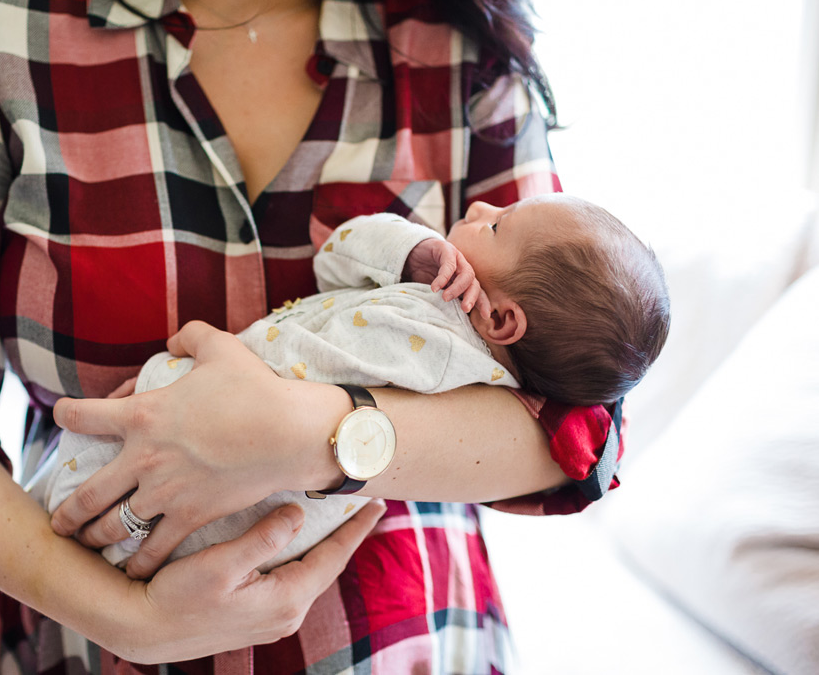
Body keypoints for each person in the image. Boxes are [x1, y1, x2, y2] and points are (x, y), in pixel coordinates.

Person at [0, 0, 630, 672]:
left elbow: (578, 423)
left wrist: (310, 434)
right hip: (96, 645)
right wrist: (131, 617)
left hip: (409, 641)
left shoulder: (461, 54)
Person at [41, 194, 669, 573]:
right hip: (221, 481)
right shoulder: (477, 359)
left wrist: (289, 431)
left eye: (497, 226)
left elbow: (593, 445)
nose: (479, 208)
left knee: (79, 497)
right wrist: (414, 253)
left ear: (505, 320)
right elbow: (336, 260)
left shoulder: (449, 348)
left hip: (213, 481)